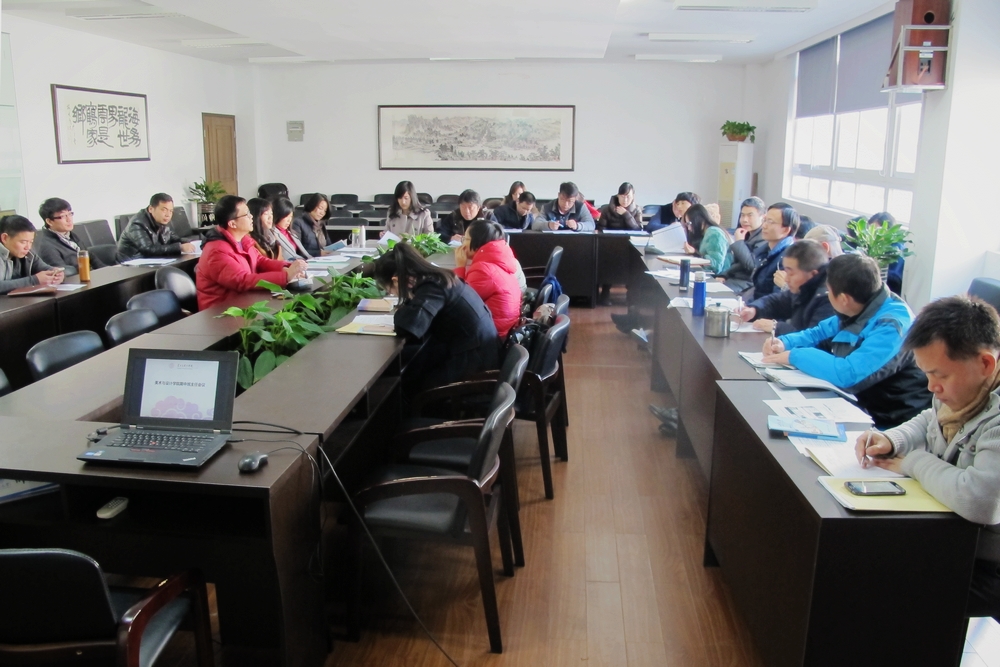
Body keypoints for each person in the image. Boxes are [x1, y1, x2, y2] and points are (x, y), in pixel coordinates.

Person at [854, 296, 1000, 619]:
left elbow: (980, 501)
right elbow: (929, 419)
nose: (932, 387)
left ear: (986, 364)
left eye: (940, 376)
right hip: (953, 538)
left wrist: (913, 462)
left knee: (886, 587)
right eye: (926, 375)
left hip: (988, 562)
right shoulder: (964, 392)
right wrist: (892, 439)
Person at [762, 253, 931, 428]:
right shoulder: (863, 304)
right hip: (862, 405)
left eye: (828, 291)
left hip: (890, 421)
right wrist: (784, 342)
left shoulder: (893, 325)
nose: (827, 295)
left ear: (844, 299)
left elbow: (849, 374)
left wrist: (795, 355)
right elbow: (820, 332)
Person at [373, 242, 499, 394]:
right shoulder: (438, 277)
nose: (392, 294)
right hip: (477, 352)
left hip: (474, 364)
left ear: (396, 280)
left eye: (390, 290)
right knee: (416, 366)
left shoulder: (433, 287)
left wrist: (405, 307)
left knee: (410, 385)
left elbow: (408, 326)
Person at [196, 195, 307, 310]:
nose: (251, 216)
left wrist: (286, 267)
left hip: (244, 302)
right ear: (232, 223)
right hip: (222, 311)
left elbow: (259, 261)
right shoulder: (216, 251)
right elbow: (241, 280)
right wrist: (285, 276)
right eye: (246, 214)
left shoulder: (243, 239)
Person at [739, 239, 835, 335]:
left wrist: (777, 327)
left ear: (813, 274)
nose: (786, 279)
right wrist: (755, 310)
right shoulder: (804, 288)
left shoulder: (828, 298)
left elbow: (814, 338)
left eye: (791, 274)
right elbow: (777, 302)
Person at [454, 221, 522, 336]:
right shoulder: (499, 260)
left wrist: (460, 267)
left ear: (477, 242)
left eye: (465, 239)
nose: (462, 244)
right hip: (502, 332)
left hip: (490, 338)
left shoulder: (483, 269)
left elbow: (459, 302)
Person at [33, 197, 111, 275]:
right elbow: (63, 274)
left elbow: (91, 257)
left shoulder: (69, 235)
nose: (69, 219)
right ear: (49, 221)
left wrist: (107, 272)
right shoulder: (48, 247)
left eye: (70, 214)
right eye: (63, 216)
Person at [116, 193, 194, 262]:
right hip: (131, 264)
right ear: (151, 209)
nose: (168, 214)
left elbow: (174, 239)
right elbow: (147, 249)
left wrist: (189, 242)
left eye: (171, 211)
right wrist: (179, 247)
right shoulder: (137, 223)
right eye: (164, 210)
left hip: (152, 261)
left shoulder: (162, 220)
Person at [745, 203, 799, 299]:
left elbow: (776, 299)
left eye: (770, 222)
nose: (764, 226)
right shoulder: (765, 250)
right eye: (765, 220)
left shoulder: (788, 259)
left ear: (785, 230)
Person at [0, 215, 64, 294]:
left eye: (31, 242)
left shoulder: (28, 254)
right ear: (5, 238)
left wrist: (56, 275)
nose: (28, 247)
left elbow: (45, 268)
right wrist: (34, 280)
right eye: (23, 242)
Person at [718, 196, 768, 292]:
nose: (745, 220)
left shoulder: (764, 237)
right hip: (734, 280)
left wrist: (739, 242)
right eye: (742, 215)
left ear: (763, 217)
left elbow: (752, 266)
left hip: (748, 285)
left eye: (750, 215)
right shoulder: (746, 233)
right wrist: (724, 275)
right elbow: (737, 265)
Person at [683, 204, 732, 275]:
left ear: (699, 219)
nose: (689, 228)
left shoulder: (714, 233)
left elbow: (715, 266)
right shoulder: (705, 233)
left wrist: (695, 253)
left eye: (689, 223)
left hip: (719, 277)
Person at [292, 193, 331, 257]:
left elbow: (328, 244)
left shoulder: (321, 224)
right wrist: (318, 253)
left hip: (324, 259)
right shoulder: (298, 223)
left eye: (325, 211)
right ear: (312, 205)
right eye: (320, 208)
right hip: (308, 260)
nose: (322, 213)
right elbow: (297, 250)